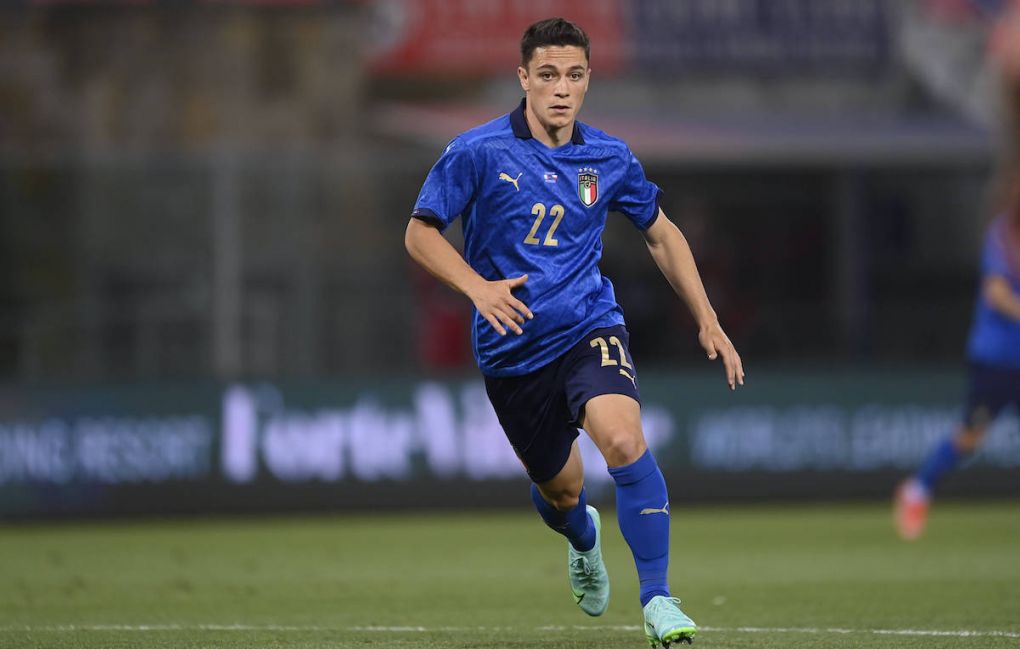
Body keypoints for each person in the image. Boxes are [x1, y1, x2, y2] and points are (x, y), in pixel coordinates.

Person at [404, 18, 743, 646]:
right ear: (524, 78)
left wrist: (707, 315)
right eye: (549, 75)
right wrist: (477, 288)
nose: (562, 88)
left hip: (589, 324)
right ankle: (581, 537)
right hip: (512, 352)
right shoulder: (478, 152)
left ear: (588, 81)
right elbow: (420, 233)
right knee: (561, 490)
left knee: (622, 438)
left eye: (576, 75)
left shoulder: (608, 157)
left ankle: (658, 599)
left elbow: (661, 233)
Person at [895, 176, 1020, 540]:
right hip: (995, 359)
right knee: (970, 436)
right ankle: (917, 490)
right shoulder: (1001, 237)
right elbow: (996, 292)